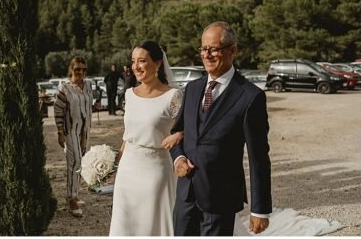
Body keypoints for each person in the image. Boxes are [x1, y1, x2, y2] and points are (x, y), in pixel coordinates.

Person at [169, 22, 273, 235]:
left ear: (232, 50)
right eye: (203, 48)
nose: (207, 55)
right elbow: (177, 133)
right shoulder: (192, 89)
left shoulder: (250, 96)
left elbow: (259, 156)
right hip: (186, 196)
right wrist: (178, 159)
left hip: (221, 198)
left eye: (214, 48)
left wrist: (259, 210)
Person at [110, 41, 181, 236]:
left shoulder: (173, 96)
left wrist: (179, 134)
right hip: (127, 171)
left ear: (158, 63)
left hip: (157, 171)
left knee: (153, 224)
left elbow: (186, 131)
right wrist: (113, 163)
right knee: (125, 225)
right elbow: (128, 135)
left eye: (142, 61)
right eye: (133, 61)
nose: (136, 67)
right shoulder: (129, 94)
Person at [53, 56, 92, 217]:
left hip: (85, 131)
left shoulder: (88, 85)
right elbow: (58, 111)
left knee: (80, 162)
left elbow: (88, 105)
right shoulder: (64, 88)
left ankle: (75, 193)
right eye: (77, 69)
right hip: (70, 131)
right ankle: (71, 199)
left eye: (84, 69)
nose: (81, 72)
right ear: (71, 69)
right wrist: (60, 132)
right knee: (74, 162)